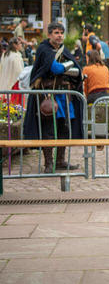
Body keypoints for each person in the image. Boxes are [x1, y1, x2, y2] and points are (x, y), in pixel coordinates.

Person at [22, 22, 83, 172]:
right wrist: (67, 67)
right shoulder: (44, 49)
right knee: (48, 129)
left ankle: (60, 161)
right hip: (48, 96)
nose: (59, 35)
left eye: (61, 32)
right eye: (56, 32)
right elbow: (55, 68)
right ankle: (48, 163)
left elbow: (77, 70)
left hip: (64, 96)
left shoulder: (64, 50)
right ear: (49, 35)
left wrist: (70, 69)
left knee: (64, 128)